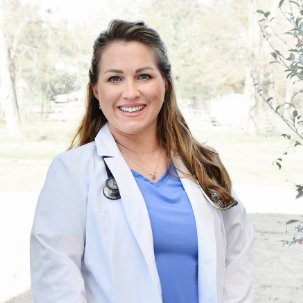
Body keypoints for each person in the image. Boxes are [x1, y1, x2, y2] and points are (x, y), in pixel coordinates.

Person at [30, 19, 254, 303]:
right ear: (97, 91)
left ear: (166, 84)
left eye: (144, 76)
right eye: (115, 78)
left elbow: (237, 259)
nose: (131, 92)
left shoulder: (204, 166)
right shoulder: (73, 171)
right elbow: (55, 278)